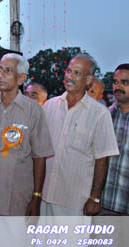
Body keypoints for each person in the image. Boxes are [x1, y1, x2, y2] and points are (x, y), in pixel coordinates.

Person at [0, 53, 54, 216]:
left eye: (8, 71)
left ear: (21, 78)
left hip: (14, 202)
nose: (0, 75)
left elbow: (40, 157)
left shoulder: (34, 111)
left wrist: (36, 197)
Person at [41, 53, 119, 216]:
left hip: (74, 203)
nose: (70, 76)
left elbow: (102, 160)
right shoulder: (49, 106)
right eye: (69, 71)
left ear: (89, 80)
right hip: (43, 196)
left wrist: (95, 198)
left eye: (77, 73)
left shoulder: (99, 113)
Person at [100, 64, 129, 216]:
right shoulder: (104, 116)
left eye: (125, 82)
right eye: (115, 82)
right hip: (104, 205)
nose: (118, 87)